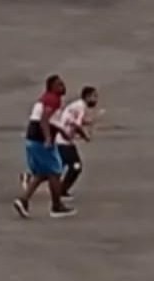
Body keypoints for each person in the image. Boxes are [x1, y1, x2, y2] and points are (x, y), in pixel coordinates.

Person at [13, 75, 74, 219]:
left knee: (42, 174)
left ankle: (23, 200)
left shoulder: (45, 99)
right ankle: (56, 206)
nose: (63, 87)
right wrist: (47, 138)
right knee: (55, 172)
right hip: (40, 141)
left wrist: (62, 132)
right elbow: (44, 120)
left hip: (32, 139)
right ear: (52, 87)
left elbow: (50, 121)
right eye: (59, 85)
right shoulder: (53, 99)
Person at [53, 86, 98, 202]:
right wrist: (85, 136)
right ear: (87, 97)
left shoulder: (76, 105)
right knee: (76, 166)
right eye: (94, 96)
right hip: (64, 141)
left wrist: (85, 122)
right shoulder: (81, 107)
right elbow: (76, 125)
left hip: (62, 140)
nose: (96, 100)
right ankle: (62, 190)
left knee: (58, 167)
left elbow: (71, 120)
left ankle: (31, 177)